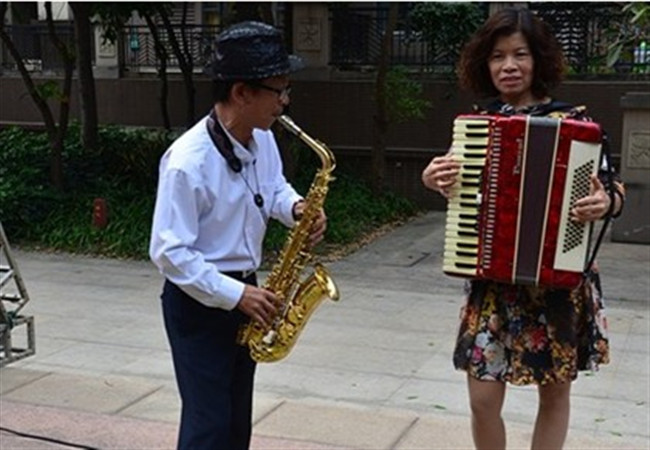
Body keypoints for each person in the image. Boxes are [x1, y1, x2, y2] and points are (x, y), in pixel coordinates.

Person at [421, 8, 625, 450]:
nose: (508, 66)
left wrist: (605, 201)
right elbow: (456, 187)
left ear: (538, 61)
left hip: (557, 283)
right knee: (482, 398)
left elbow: (612, 189)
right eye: (497, 57)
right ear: (485, 64)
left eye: (519, 55)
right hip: (494, 284)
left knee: (553, 393)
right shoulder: (478, 127)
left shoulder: (575, 124)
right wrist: (434, 178)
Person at [149, 21, 326, 450]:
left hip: (248, 293)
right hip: (199, 304)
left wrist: (297, 208)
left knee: (234, 424)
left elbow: (274, 189)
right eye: (277, 90)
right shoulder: (187, 162)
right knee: (207, 425)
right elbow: (169, 252)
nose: (284, 102)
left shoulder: (261, 140)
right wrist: (236, 295)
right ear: (242, 93)